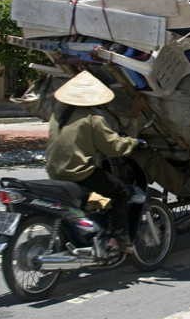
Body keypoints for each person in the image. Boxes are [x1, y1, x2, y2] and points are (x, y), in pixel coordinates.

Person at [46, 70, 146, 249]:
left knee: (95, 198)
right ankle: (120, 240)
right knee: (120, 193)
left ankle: (93, 226)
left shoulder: (58, 115)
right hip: (79, 173)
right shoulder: (93, 119)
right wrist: (134, 143)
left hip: (55, 171)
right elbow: (113, 146)